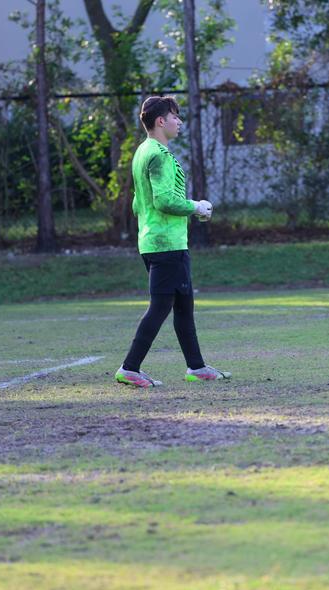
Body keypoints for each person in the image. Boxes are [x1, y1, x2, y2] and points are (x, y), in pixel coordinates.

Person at [115, 95, 231, 388]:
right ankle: (129, 368)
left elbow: (138, 204)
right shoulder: (160, 155)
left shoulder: (142, 151)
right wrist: (196, 207)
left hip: (155, 241)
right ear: (160, 121)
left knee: (183, 305)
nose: (179, 122)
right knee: (161, 307)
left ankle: (197, 366)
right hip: (167, 244)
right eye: (175, 116)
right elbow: (164, 200)